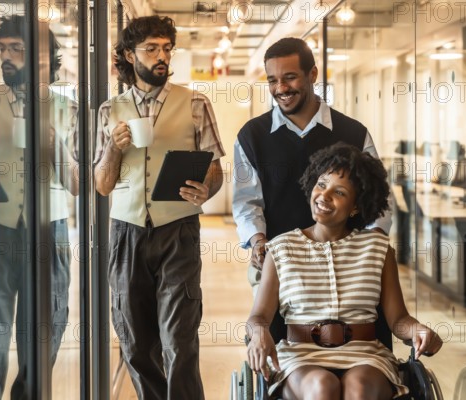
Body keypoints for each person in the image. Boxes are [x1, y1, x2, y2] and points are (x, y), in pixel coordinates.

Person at [92, 15, 225, 400]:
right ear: (130, 56)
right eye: (151, 48)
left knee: (179, 341)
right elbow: (102, 186)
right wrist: (114, 148)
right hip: (126, 234)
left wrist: (207, 189)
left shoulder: (196, 102)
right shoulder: (108, 110)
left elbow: (215, 167)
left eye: (167, 48)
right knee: (134, 343)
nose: (161, 56)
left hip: (178, 231)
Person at [246, 143, 442, 399]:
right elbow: (258, 317)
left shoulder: (378, 248)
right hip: (300, 355)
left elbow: (399, 320)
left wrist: (419, 331)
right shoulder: (281, 248)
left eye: (338, 192)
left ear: (356, 207)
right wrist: (259, 334)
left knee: (358, 388)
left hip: (366, 355)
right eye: (321, 184)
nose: (324, 196)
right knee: (321, 386)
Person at [232, 37, 392, 296]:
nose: (281, 88)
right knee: (269, 333)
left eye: (290, 77)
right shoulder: (252, 136)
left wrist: (372, 245)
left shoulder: (353, 132)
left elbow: (379, 199)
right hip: (280, 267)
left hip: (346, 267)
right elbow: (246, 202)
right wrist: (257, 241)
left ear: (313, 74)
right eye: (272, 80)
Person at [0, 14, 79, 399]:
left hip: (51, 230)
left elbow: (78, 184)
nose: (6, 56)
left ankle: (27, 394)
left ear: (43, 58)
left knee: (46, 329)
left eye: (16, 49)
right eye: (2, 48)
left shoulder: (66, 110)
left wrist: (54, 143)